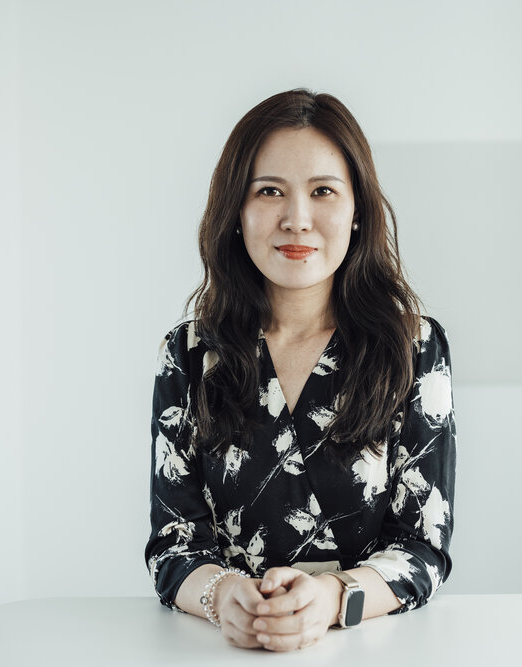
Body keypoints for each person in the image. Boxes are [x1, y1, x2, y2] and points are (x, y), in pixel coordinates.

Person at [144, 89, 456, 652]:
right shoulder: (190, 353)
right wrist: (223, 598)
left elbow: (422, 548)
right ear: (236, 211)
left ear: (357, 211)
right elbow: (174, 546)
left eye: (323, 192)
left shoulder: (413, 346)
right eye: (269, 191)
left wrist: (335, 599)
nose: (296, 219)